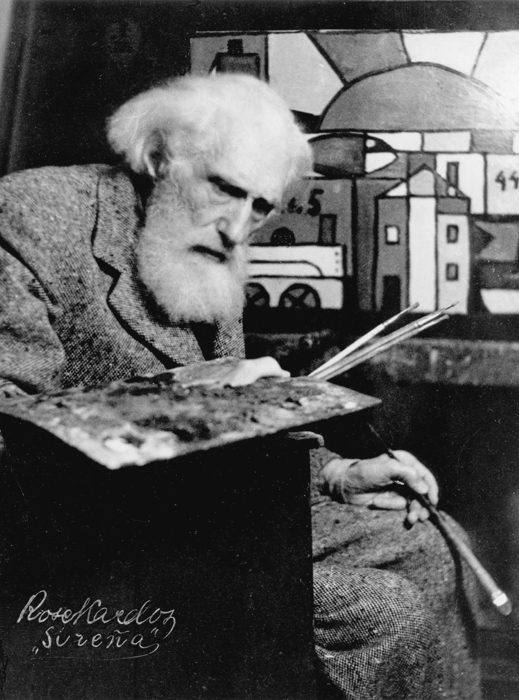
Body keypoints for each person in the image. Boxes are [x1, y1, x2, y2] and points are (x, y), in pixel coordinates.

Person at [0, 73, 481, 698]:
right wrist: (188, 390)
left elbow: (235, 431)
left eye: (260, 206)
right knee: (381, 609)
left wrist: (336, 475)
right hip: (91, 546)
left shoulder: (204, 246)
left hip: (206, 514)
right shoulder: (30, 216)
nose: (236, 226)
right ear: (160, 157)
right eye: (224, 188)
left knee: (435, 546)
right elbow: (8, 434)